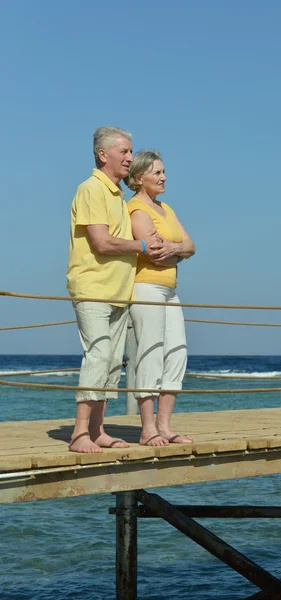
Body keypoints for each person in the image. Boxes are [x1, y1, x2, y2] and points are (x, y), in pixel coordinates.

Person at [66, 127, 161, 453]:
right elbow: (101, 242)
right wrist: (144, 245)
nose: (130, 158)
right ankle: (79, 434)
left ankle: (97, 431)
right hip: (93, 286)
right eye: (124, 151)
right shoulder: (90, 189)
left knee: (110, 364)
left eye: (131, 151)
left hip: (118, 290)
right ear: (103, 154)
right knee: (98, 356)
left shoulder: (118, 194)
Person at [124, 150, 195, 446]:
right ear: (140, 178)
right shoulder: (137, 209)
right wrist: (173, 249)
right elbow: (153, 252)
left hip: (170, 289)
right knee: (150, 353)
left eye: (164, 172)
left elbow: (190, 246)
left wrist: (174, 248)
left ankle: (165, 425)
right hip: (146, 288)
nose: (164, 177)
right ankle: (148, 428)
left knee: (177, 352)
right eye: (157, 173)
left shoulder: (166, 209)